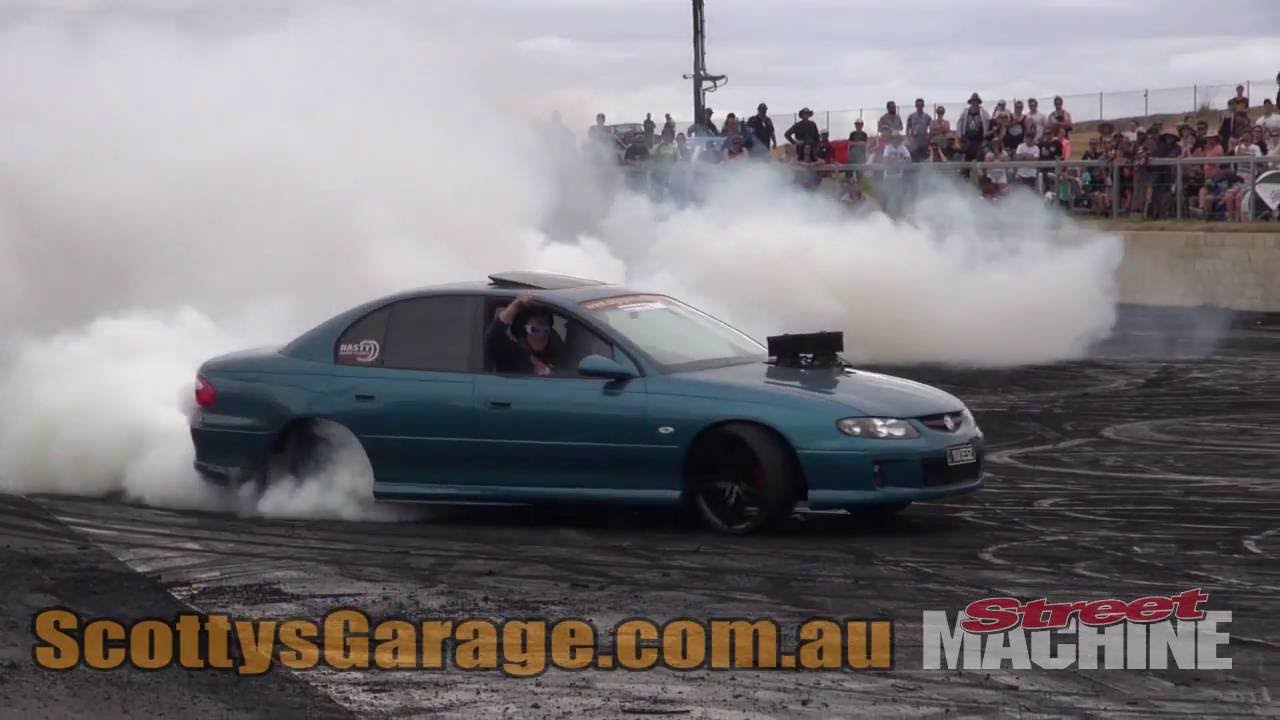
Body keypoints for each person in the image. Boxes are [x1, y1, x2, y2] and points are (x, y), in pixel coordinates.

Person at [485, 296, 566, 376]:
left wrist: (548, 371)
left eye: (546, 330)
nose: (541, 335)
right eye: (535, 330)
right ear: (522, 331)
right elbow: (493, 337)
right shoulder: (512, 354)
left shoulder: (556, 352)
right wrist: (515, 306)